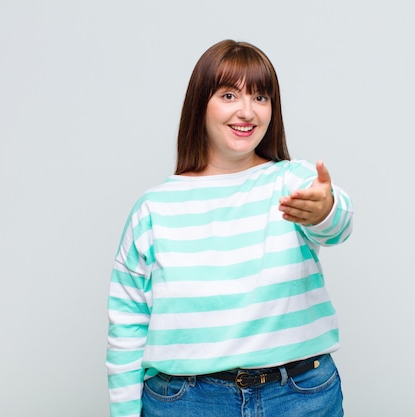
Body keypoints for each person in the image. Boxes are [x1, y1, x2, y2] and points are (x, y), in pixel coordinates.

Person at [106, 39, 353, 417]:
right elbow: (127, 321)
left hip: (300, 397)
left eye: (260, 97)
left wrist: (324, 209)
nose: (247, 111)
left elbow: (336, 226)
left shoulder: (292, 181)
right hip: (187, 402)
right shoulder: (154, 208)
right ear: (199, 105)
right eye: (228, 95)